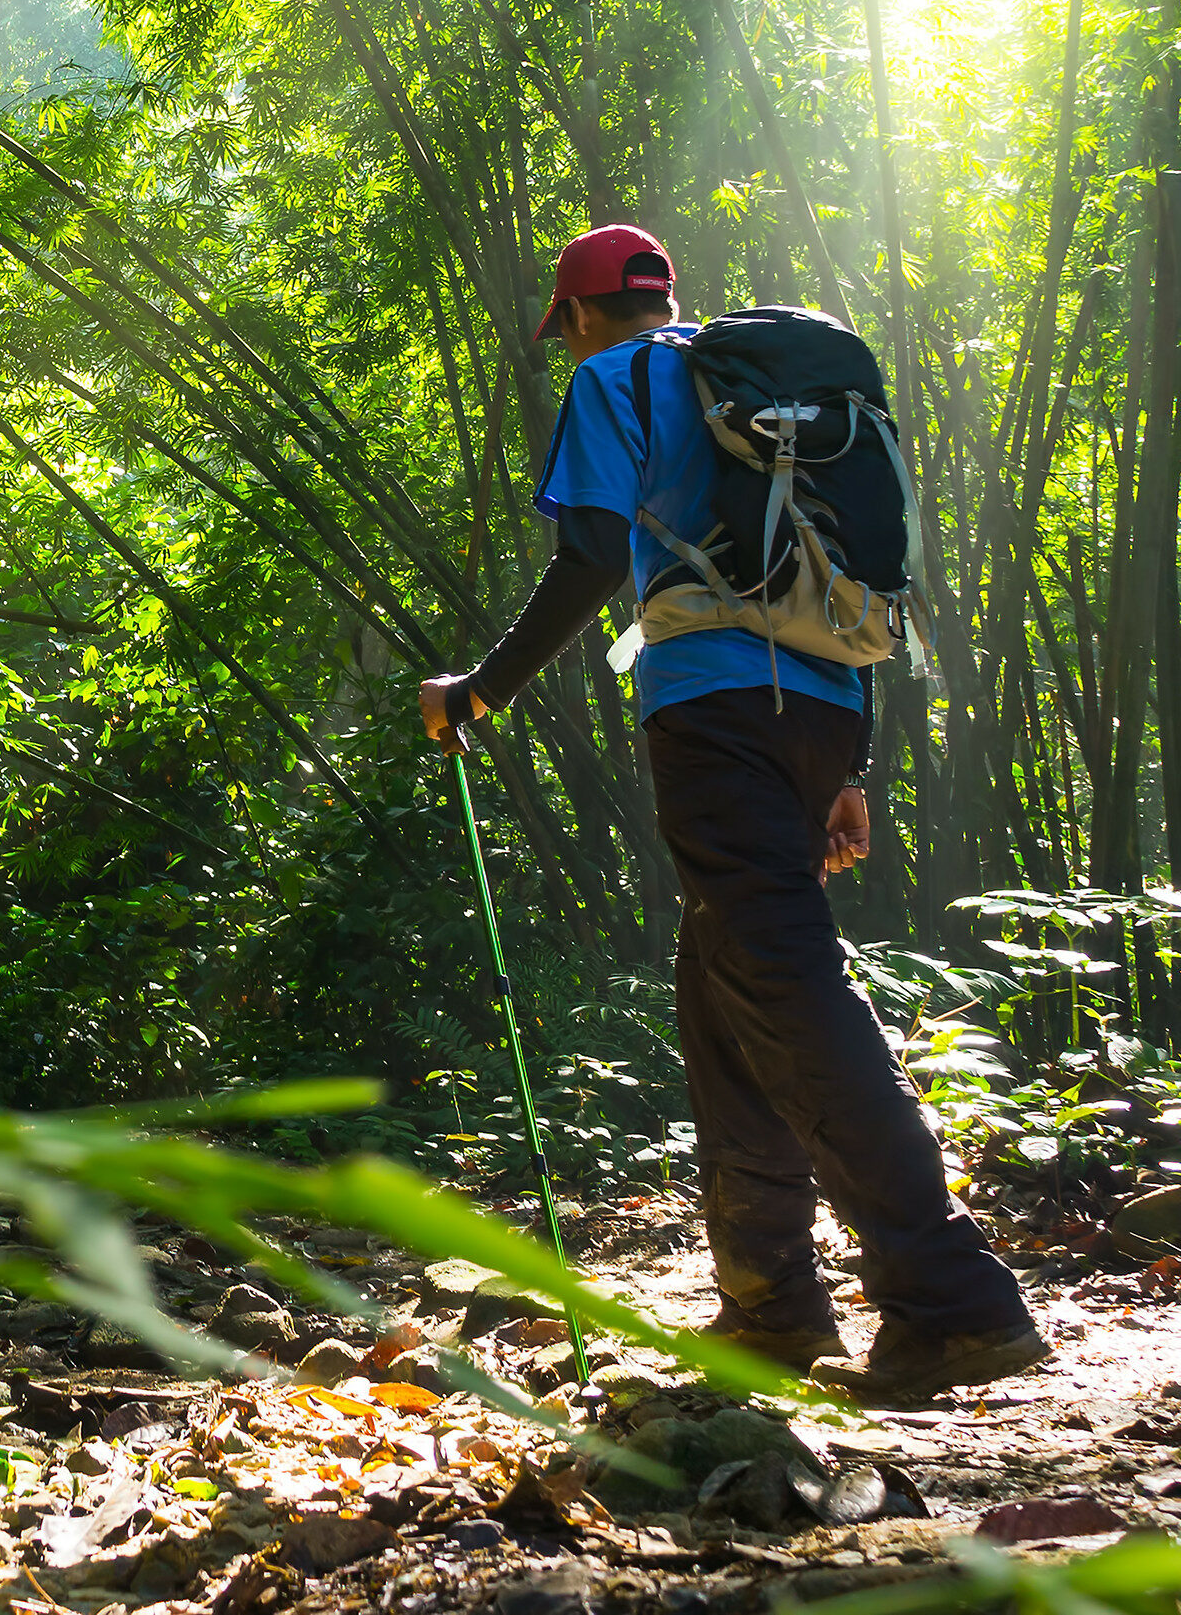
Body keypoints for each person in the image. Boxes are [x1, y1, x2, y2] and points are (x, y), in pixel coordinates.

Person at [420, 223, 1047, 1399]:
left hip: (711, 711)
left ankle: (951, 1301)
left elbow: (590, 557)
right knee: (721, 991)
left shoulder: (616, 379)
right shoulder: (760, 393)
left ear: (581, 314)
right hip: (821, 711)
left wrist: (478, 691)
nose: (569, 345)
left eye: (566, 328)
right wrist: (849, 767)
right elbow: (846, 573)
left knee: (786, 981)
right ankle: (769, 1304)